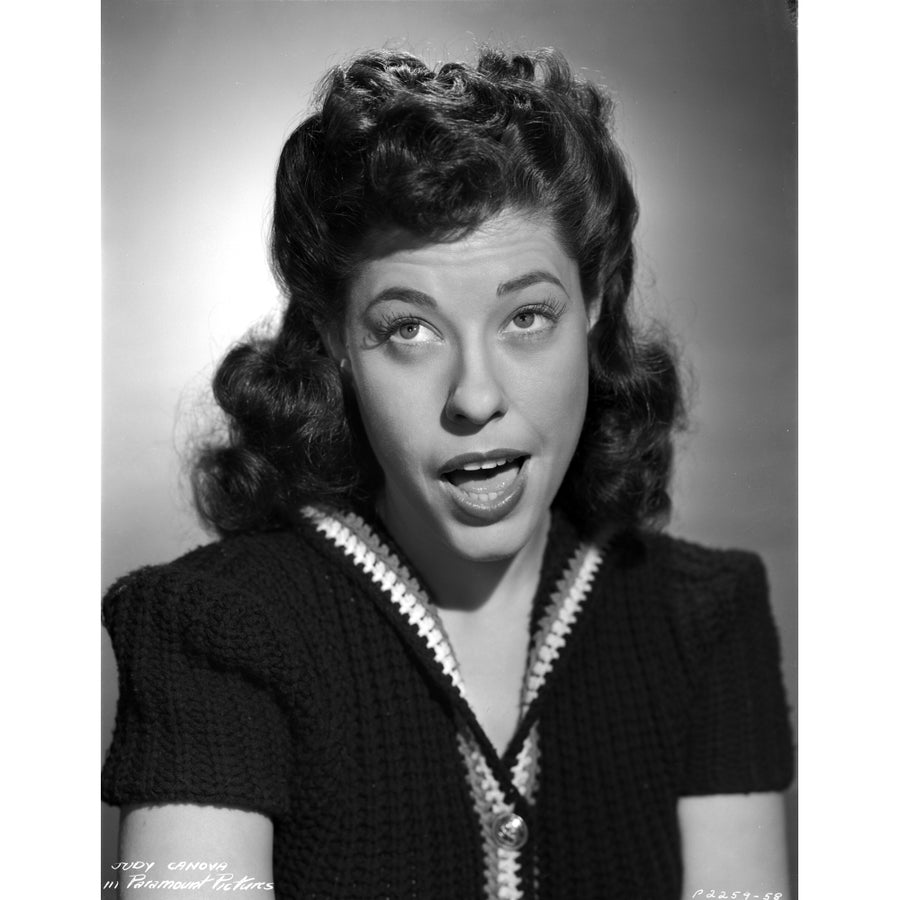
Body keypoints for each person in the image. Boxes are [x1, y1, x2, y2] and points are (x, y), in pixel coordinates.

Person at [102, 47, 794, 900]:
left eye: (528, 317)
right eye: (409, 330)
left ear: (596, 307)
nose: (475, 395)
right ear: (331, 341)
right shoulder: (207, 631)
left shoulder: (707, 620)